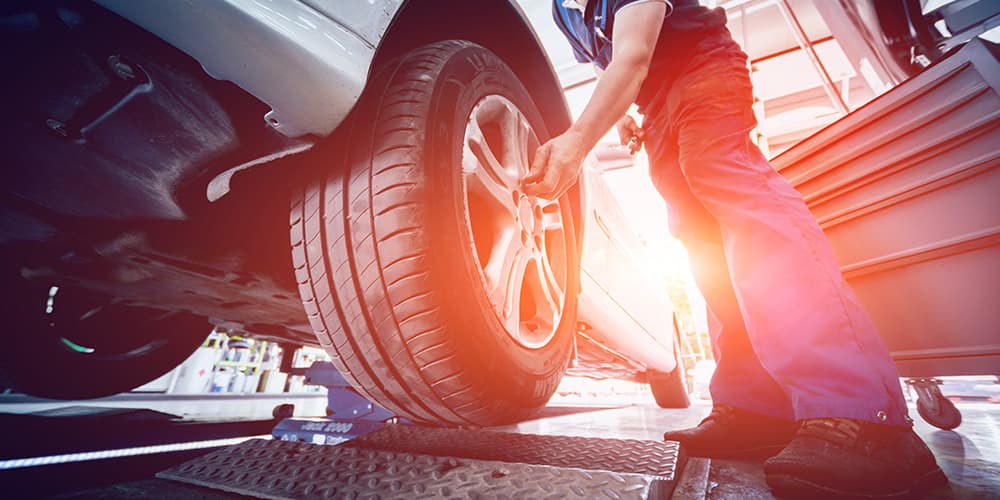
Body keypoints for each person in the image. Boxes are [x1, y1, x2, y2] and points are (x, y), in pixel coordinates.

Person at [522, 0, 948, 497]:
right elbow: (612, 59)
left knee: (739, 201)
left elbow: (633, 53)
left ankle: (861, 413)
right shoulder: (563, 12)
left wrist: (578, 140)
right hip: (655, 105)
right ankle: (756, 408)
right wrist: (623, 117)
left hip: (704, 69)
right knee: (699, 239)